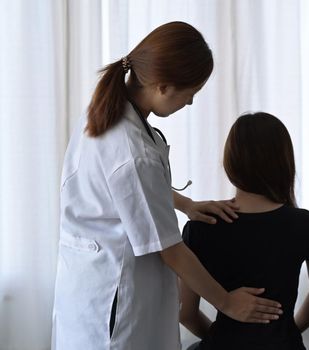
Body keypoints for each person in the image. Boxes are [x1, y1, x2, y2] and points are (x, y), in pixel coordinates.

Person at [51, 22, 282, 350]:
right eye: (191, 93)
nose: (189, 103)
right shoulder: (132, 151)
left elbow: (122, 191)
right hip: (113, 302)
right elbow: (170, 250)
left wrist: (185, 204)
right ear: (162, 86)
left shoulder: (102, 112)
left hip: (88, 283)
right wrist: (227, 304)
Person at [180, 112, 309, 350]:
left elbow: (186, 313)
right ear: (284, 161)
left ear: (230, 162)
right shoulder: (305, 224)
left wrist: (218, 337)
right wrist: (291, 329)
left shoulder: (201, 226)